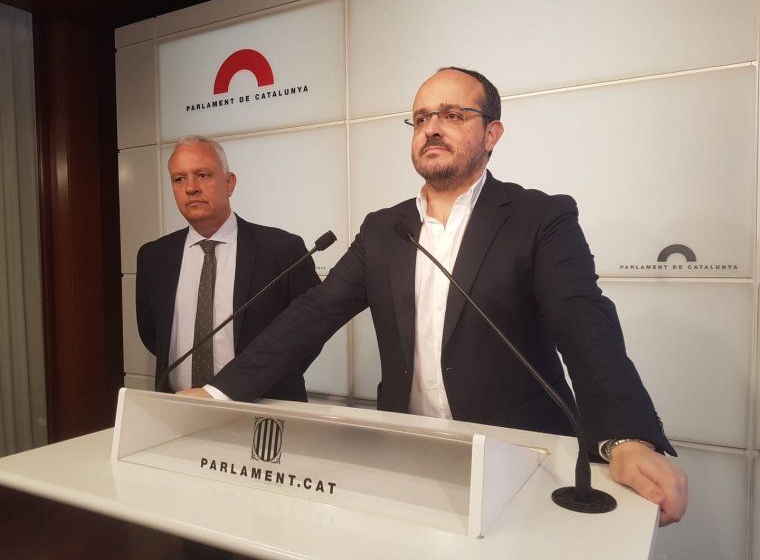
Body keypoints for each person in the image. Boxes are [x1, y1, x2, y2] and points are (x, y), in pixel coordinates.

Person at [178, 69, 688, 525]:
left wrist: (625, 437)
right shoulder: (383, 229)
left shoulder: (540, 218)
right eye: (421, 118)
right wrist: (219, 393)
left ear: (492, 133)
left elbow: (583, 321)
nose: (432, 128)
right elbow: (314, 312)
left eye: (453, 115)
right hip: (410, 457)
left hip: (520, 457)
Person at [136, 135, 321, 400]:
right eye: (179, 179)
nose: (191, 188)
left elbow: (310, 333)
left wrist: (271, 381)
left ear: (229, 183)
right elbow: (152, 334)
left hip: (261, 408)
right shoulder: (154, 257)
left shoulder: (283, 250)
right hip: (180, 409)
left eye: (202, 175)